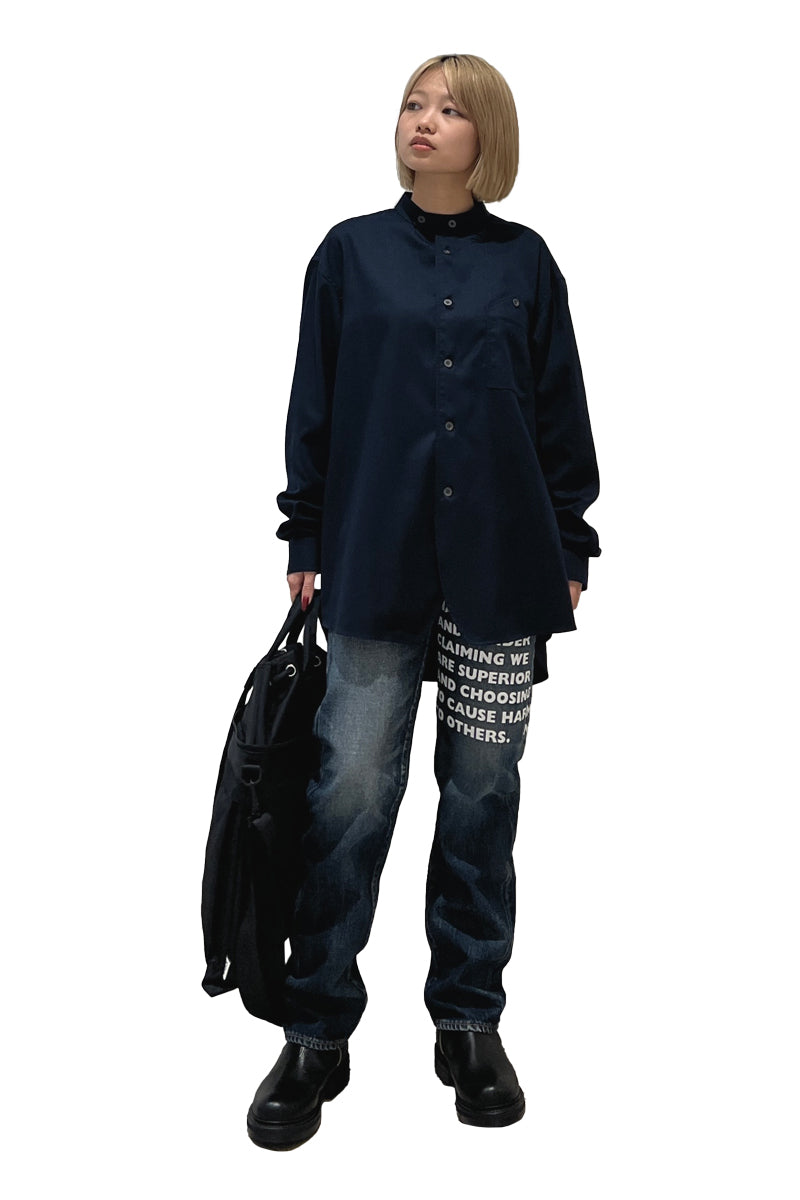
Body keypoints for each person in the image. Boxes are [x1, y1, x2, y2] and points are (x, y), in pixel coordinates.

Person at [247, 52, 602, 1151]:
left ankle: (468, 1021)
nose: (424, 121)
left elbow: (558, 412)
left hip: (501, 572)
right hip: (373, 562)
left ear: (486, 133)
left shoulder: (525, 263)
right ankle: (316, 1029)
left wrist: (570, 541)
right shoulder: (348, 255)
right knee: (348, 793)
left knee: (483, 796)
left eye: (449, 108)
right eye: (412, 103)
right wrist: (306, 534)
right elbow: (314, 400)